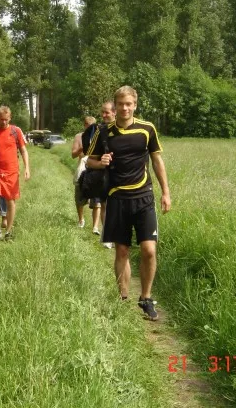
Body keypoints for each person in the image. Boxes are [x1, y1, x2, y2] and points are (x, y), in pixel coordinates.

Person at [86, 86, 171, 321]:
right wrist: (101, 162)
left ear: (135, 105)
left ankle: (146, 298)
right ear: (115, 106)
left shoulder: (147, 129)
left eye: (129, 104)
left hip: (144, 196)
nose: (125, 108)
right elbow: (89, 161)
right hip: (117, 198)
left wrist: (166, 192)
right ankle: (123, 297)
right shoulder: (104, 132)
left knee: (149, 250)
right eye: (121, 104)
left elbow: (157, 161)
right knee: (122, 251)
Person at [0, 105, 30, 242]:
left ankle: (8, 231)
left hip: (11, 172)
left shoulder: (16, 131)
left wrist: (27, 168)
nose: (4, 122)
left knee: (10, 201)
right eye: (1, 119)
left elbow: (23, 150)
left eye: (6, 119)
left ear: (10, 118)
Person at [83, 101, 116, 246]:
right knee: (105, 205)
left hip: (124, 177)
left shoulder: (129, 129)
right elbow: (89, 160)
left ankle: (118, 236)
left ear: (115, 112)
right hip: (105, 176)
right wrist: (101, 164)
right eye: (102, 112)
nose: (103, 115)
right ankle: (108, 237)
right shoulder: (100, 130)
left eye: (106, 112)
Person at [71, 116, 101, 231]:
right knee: (79, 197)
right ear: (84, 125)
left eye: (93, 126)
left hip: (96, 169)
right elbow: (73, 155)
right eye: (88, 125)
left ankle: (95, 227)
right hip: (82, 169)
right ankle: (81, 220)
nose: (90, 128)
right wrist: (82, 148)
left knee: (97, 199)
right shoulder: (79, 136)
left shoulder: (99, 136)